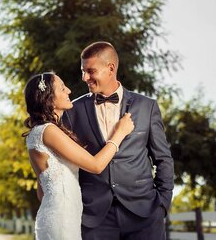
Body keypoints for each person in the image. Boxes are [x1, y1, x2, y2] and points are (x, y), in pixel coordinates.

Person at [62, 41, 174, 239]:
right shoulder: (73, 111)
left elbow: (163, 158)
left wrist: (162, 204)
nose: (84, 77)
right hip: (95, 218)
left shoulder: (146, 107)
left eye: (90, 71)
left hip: (144, 214)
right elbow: (67, 166)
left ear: (110, 68)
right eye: (83, 71)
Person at [23, 72, 135, 240]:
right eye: (62, 88)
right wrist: (120, 132)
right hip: (62, 219)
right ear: (48, 98)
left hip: (61, 216)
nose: (68, 91)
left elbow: (42, 191)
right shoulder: (48, 131)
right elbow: (96, 165)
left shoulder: (39, 132)